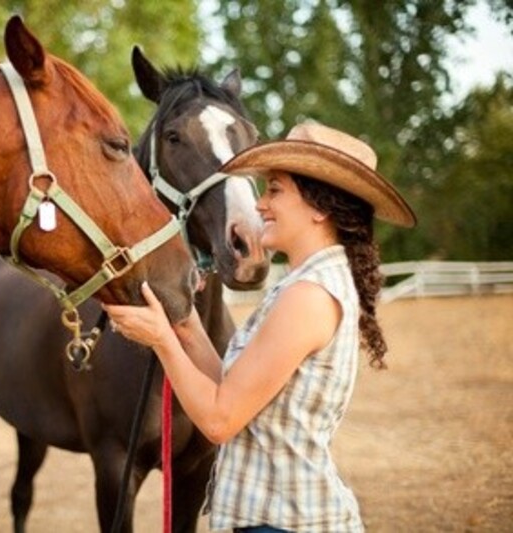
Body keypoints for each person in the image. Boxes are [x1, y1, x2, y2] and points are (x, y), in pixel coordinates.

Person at [102, 122, 416, 533]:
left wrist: (161, 340)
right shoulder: (304, 285)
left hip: (284, 522)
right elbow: (233, 393)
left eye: (275, 190)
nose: (260, 204)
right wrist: (184, 321)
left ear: (319, 207)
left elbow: (219, 421)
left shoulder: (308, 296)